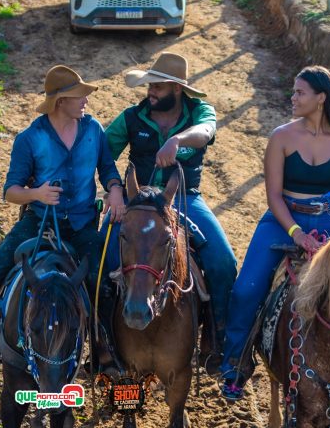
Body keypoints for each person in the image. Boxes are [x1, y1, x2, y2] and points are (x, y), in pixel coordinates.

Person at [0, 65, 124, 388]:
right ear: (60, 101)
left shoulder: (93, 130)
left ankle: (107, 353)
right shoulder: (30, 139)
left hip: (82, 223)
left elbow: (107, 169)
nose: (86, 99)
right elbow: (11, 192)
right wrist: (37, 194)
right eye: (79, 95)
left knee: (105, 283)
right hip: (38, 223)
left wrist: (115, 189)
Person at [219, 66, 330, 401]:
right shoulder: (282, 136)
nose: (293, 97)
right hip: (283, 218)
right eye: (293, 91)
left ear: (321, 98)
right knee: (246, 290)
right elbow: (273, 196)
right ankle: (235, 366)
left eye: (300, 92)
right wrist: (297, 234)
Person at [100, 52, 238, 372]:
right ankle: (102, 344)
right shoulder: (132, 117)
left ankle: (214, 342)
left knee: (223, 263)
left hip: (186, 198)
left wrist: (176, 139)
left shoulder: (199, 112)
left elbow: (205, 132)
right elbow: (104, 152)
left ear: (177, 89)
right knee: (98, 261)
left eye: (158, 87)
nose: (151, 92)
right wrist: (114, 187)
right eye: (150, 86)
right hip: (137, 205)